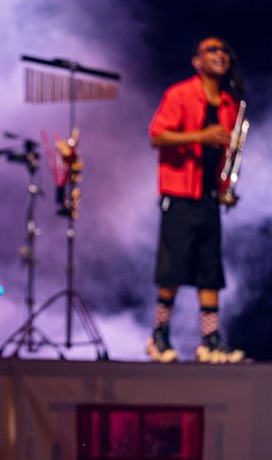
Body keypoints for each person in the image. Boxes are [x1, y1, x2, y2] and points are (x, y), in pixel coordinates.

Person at [146, 36, 245, 364]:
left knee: (209, 269)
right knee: (172, 267)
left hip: (209, 195)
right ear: (197, 61)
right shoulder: (180, 94)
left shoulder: (230, 103)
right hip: (179, 193)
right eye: (212, 50)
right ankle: (158, 336)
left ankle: (210, 340)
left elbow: (229, 154)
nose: (220, 55)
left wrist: (226, 185)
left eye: (223, 50)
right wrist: (200, 136)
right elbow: (157, 135)